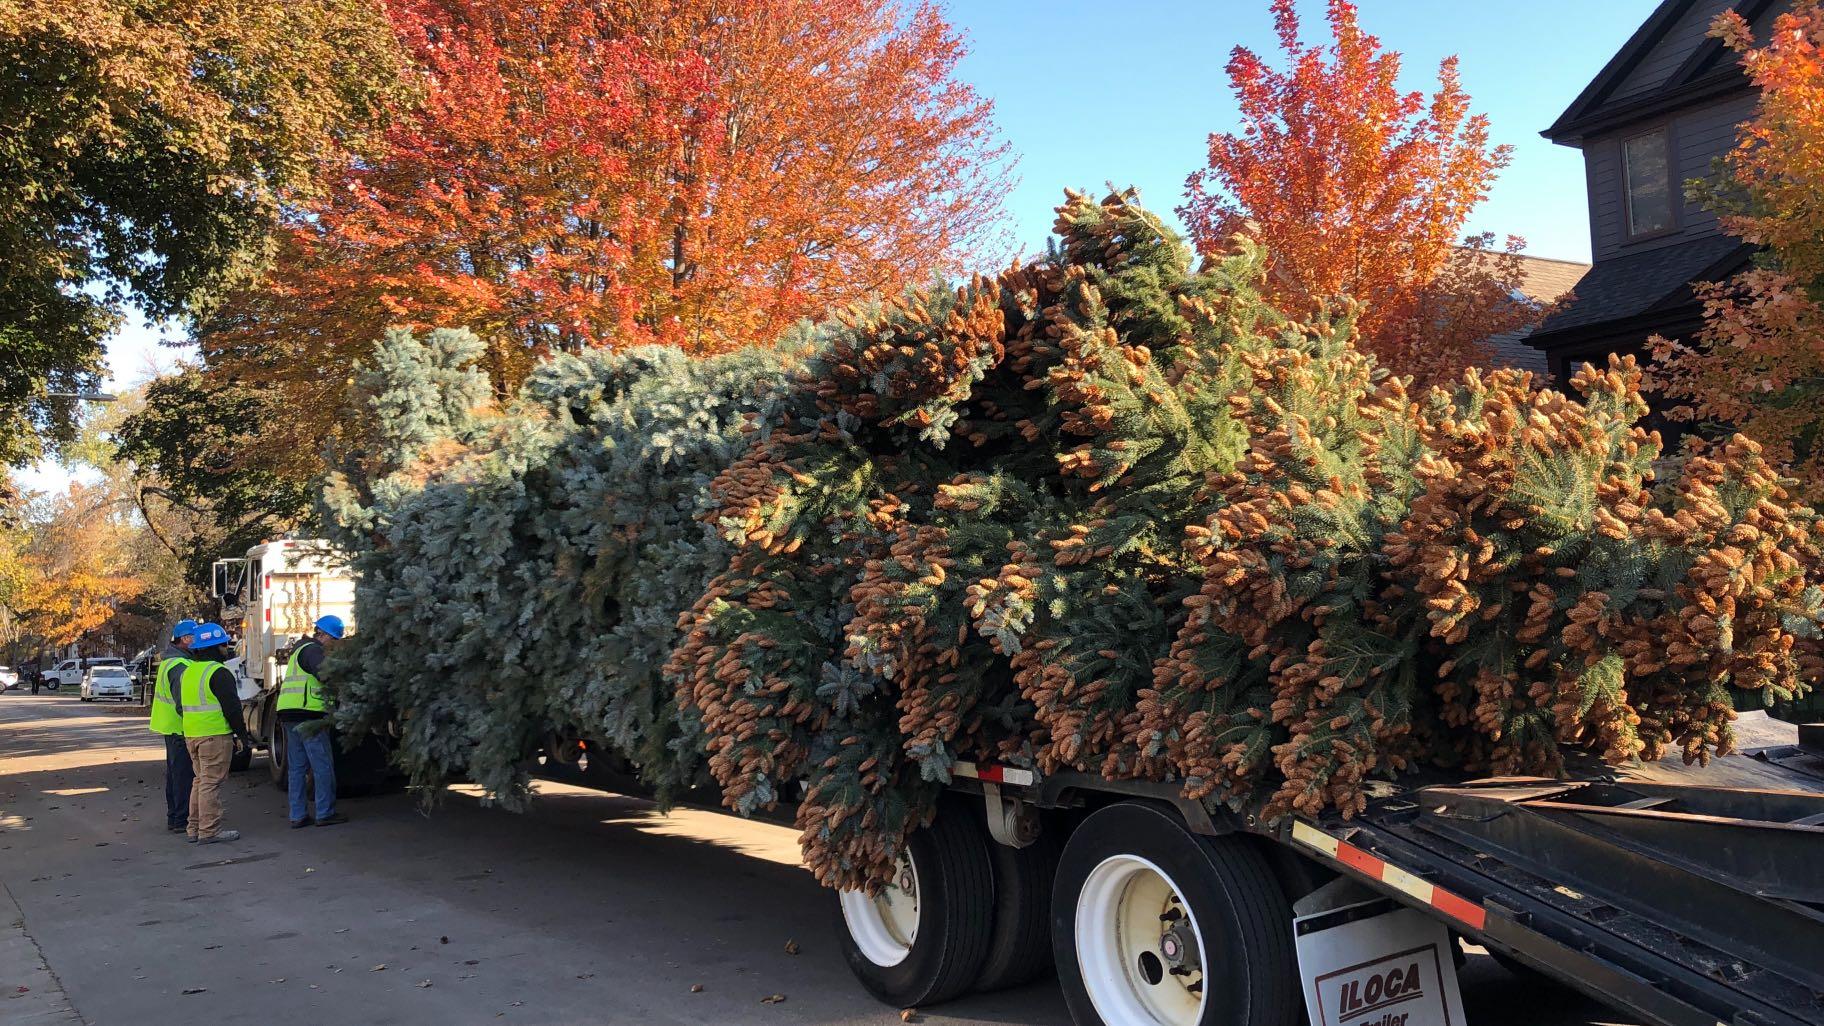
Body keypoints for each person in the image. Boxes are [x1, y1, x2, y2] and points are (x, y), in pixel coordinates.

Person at [178, 623, 255, 844]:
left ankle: (194, 829)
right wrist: (242, 736)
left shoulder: (188, 672)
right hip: (214, 735)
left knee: (200, 781)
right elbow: (232, 708)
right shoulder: (219, 673)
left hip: (192, 734)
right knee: (210, 783)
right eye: (223, 645)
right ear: (215, 647)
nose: (226, 649)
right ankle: (209, 831)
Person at [279, 615, 347, 828]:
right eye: (333, 640)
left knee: (297, 768)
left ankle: (297, 815)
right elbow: (324, 673)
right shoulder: (313, 650)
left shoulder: (299, 650)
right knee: (322, 765)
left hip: (289, 713)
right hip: (309, 715)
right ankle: (325, 812)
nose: (333, 646)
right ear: (324, 635)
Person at [149, 620, 198, 834]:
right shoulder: (180, 666)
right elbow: (183, 703)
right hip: (180, 728)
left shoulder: (171, 661)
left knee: (175, 774)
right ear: (186, 639)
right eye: (195, 636)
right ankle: (181, 818)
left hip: (171, 727)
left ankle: (175, 817)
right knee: (183, 775)